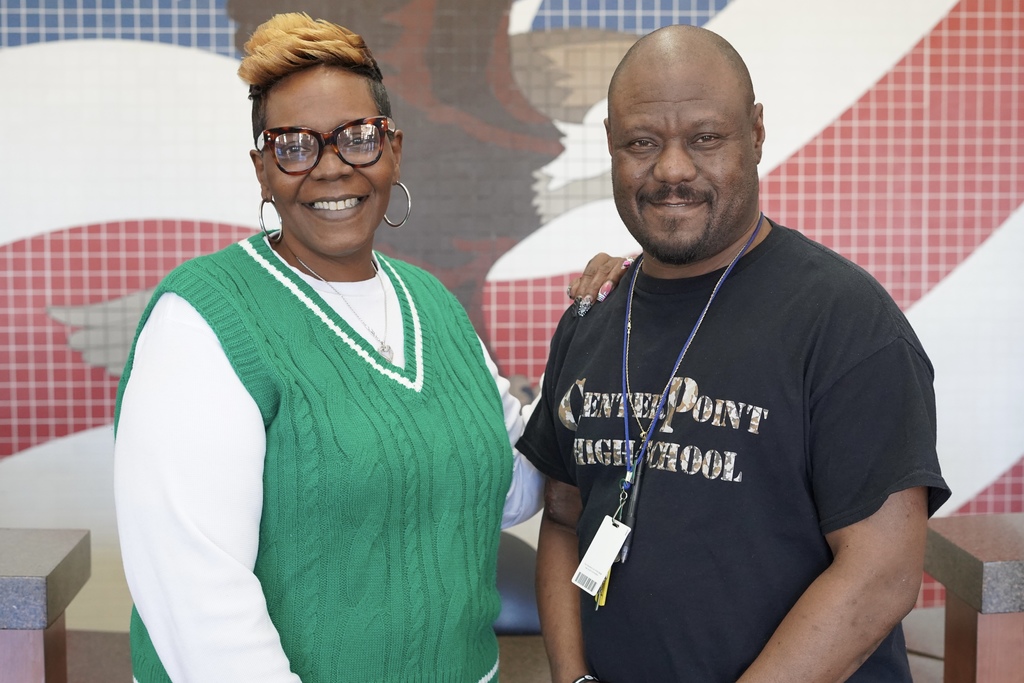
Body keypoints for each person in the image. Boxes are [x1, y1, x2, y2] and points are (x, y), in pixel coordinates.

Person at [113, 12, 625, 683]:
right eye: (294, 146)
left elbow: (510, 481)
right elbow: (199, 603)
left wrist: (617, 331)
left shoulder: (433, 305)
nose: (330, 167)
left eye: (357, 137)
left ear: (393, 149)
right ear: (263, 170)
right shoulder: (202, 321)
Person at [516, 24, 952, 683]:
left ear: (755, 132)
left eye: (705, 137)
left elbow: (880, 574)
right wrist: (574, 676)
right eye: (641, 142)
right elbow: (562, 518)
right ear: (610, 144)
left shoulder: (845, 321)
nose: (671, 169)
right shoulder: (593, 315)